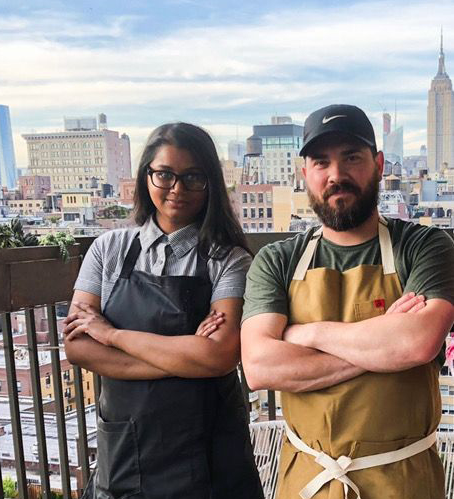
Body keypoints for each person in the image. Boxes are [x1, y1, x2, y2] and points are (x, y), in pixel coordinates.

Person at [240, 104, 454, 499]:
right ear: (304, 174)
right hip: (307, 481)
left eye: (351, 157)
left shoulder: (424, 246)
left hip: (404, 482)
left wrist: (305, 333)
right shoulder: (277, 260)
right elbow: (259, 366)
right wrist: (383, 344)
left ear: (379, 165)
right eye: (321, 162)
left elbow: (417, 343)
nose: (336, 174)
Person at [64, 122, 264, 499]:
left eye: (193, 177)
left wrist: (111, 335)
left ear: (210, 183)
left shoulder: (230, 260)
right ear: (146, 177)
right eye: (165, 174)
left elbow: (219, 354)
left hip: (208, 456)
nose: (177, 188)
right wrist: (188, 359)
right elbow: (77, 347)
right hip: (125, 451)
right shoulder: (108, 250)